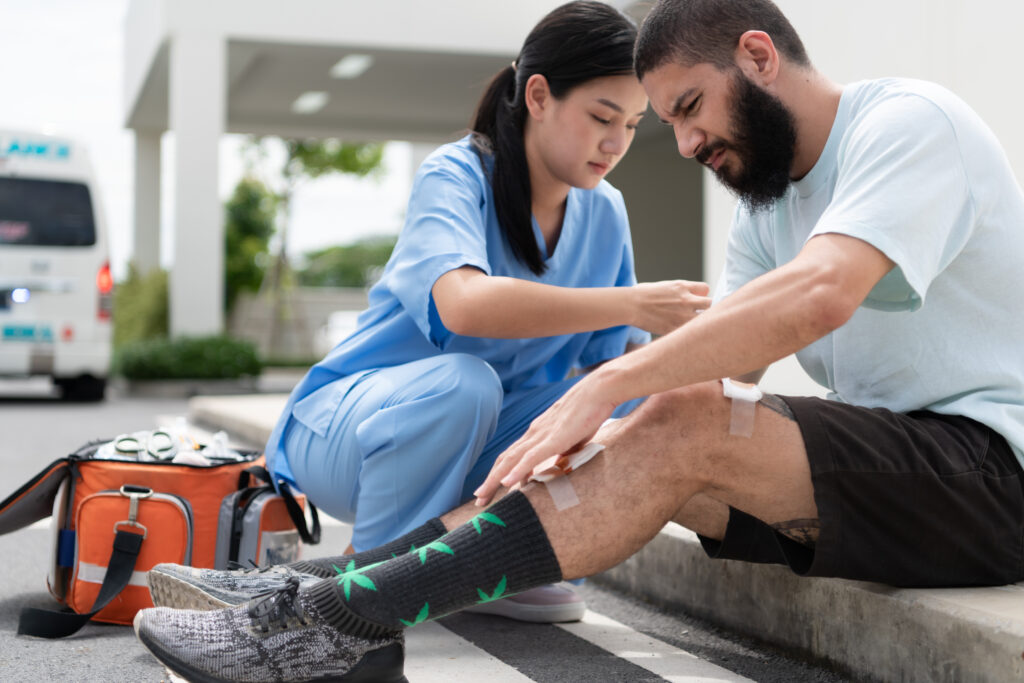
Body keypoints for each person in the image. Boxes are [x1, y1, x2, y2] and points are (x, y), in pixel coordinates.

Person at [134, 0, 1024, 680]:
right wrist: (615, 413)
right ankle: (328, 595)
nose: (677, 144)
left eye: (682, 110)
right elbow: (722, 365)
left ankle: (339, 618)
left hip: (993, 473)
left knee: (666, 415)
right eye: (655, 121)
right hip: (903, 476)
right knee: (666, 417)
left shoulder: (907, 124)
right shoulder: (767, 210)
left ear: (757, 56)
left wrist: (609, 383)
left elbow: (823, 295)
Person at [145, 0, 709, 626]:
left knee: (635, 398)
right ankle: (361, 580)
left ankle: (493, 557)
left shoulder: (605, 211)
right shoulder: (457, 173)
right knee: (466, 383)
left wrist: (707, 353)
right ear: (541, 95)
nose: (616, 143)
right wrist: (636, 302)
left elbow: (607, 370)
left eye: (632, 125)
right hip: (345, 432)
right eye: (602, 117)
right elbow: (463, 306)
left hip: (479, 439)